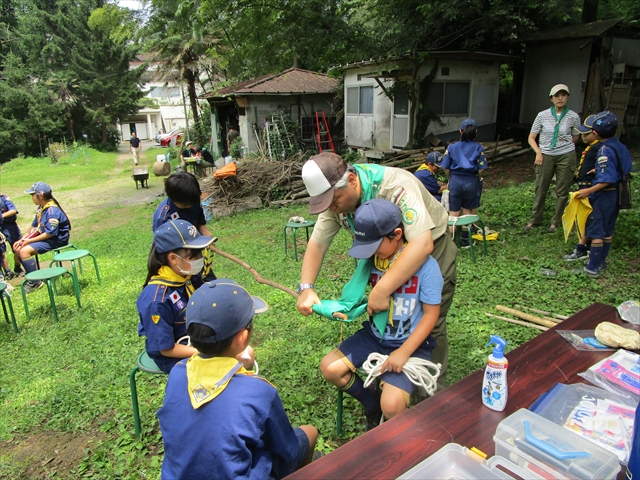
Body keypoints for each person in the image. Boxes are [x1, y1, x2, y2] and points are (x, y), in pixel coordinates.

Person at [298, 152, 457, 390]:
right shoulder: (334, 197)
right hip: (382, 253)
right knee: (388, 315)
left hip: (429, 248)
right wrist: (307, 287)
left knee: (429, 320)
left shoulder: (396, 185)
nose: (332, 209)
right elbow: (318, 242)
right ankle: (386, 375)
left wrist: (381, 289)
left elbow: (422, 244)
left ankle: (430, 390)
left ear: (351, 180)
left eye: (334, 201)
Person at [157, 279, 318, 479]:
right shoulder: (260, 392)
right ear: (243, 337)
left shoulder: (178, 372)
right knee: (309, 432)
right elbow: (288, 448)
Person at [320, 199, 442, 430]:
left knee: (392, 405)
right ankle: (371, 404)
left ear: (396, 234)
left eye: (374, 245)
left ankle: (387, 408)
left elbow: (430, 315)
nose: (371, 253)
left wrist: (403, 352)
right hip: (375, 336)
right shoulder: (372, 260)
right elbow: (356, 296)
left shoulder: (427, 267)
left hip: (410, 343)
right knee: (330, 368)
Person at [137, 220, 253, 373]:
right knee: (233, 361)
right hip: (176, 354)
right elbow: (165, 349)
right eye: (194, 255)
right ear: (173, 258)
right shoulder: (156, 299)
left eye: (200, 252)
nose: (200, 258)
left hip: (200, 340)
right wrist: (209, 352)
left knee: (247, 353)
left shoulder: (188, 275)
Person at [574, 111, 632, 278]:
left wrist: (589, 190)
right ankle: (601, 263)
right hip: (617, 194)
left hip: (604, 194)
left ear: (596, 133)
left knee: (597, 231)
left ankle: (592, 268)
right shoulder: (619, 146)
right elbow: (622, 168)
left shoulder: (604, 150)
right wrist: (598, 169)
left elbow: (607, 179)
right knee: (607, 230)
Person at [525, 84, 581, 233]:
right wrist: (538, 152)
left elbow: (576, 137)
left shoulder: (573, 116)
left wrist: (564, 147)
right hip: (545, 154)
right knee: (541, 187)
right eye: (557, 95)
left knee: (562, 190)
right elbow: (531, 137)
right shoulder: (542, 115)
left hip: (566, 155)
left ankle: (555, 222)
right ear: (551, 98)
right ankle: (535, 220)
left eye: (563, 95)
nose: (560, 98)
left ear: (568, 97)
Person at [153, 171, 217, 281]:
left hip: (194, 254)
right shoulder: (163, 218)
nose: (192, 205)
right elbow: (165, 253)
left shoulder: (193, 200)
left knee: (210, 284)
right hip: (179, 263)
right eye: (187, 203)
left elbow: (199, 223)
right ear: (174, 199)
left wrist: (207, 237)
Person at [14, 182, 71, 293]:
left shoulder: (52, 211)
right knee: (18, 249)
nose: (32, 198)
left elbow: (50, 233)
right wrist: (22, 239)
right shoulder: (41, 208)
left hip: (57, 239)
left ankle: (35, 282)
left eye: (32, 195)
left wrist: (29, 241)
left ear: (40, 196)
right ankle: (31, 275)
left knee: (24, 251)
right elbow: (34, 226)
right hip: (47, 238)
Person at [440, 118, 487, 246]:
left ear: (460, 131)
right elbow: (482, 169)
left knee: (453, 213)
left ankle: (450, 242)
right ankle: (466, 241)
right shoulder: (479, 148)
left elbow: (445, 166)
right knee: (468, 212)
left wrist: (450, 177)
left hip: (455, 180)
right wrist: (477, 178)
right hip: (471, 180)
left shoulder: (452, 147)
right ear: (476, 131)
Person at [563, 115, 600, 262]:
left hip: (590, 189)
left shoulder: (600, 148)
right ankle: (585, 247)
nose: (583, 136)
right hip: (584, 187)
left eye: (586, 133)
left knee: (588, 220)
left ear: (596, 133)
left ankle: (584, 248)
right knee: (585, 220)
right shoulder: (592, 147)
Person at [0, 193, 23, 278]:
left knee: (18, 246)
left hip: (9, 225)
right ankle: (7, 272)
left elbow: (13, 210)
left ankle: (18, 267)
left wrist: (1, 216)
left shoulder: (3, 198)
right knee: (1, 251)